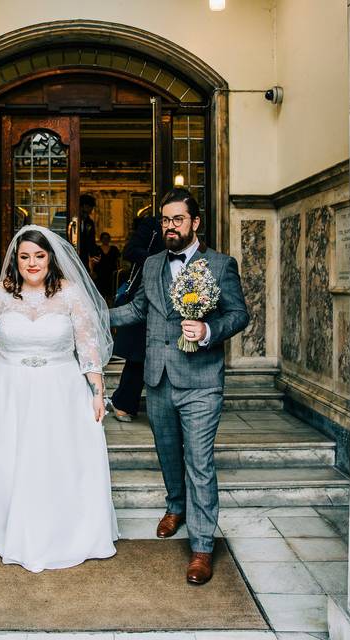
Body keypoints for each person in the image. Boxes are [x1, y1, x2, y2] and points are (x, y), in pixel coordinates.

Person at [0, 225, 119, 572]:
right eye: (24, 256)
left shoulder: (70, 294)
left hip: (60, 390)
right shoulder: (0, 294)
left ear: (51, 258)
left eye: (39, 256)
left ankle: (60, 533)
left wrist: (98, 392)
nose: (32, 263)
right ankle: (1, 528)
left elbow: (87, 347)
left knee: (55, 461)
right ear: (16, 260)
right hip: (8, 390)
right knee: (4, 461)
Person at [109, 188, 249, 585]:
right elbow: (138, 309)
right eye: (165, 220)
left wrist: (208, 329)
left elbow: (239, 315)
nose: (170, 226)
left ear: (195, 222)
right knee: (168, 452)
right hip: (157, 378)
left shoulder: (221, 265)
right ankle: (175, 506)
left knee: (199, 462)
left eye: (178, 219)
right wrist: (93, 315)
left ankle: (202, 546)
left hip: (201, 380)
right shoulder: (153, 264)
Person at [109, 209, 165, 422]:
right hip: (146, 293)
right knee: (139, 354)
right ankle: (123, 402)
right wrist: (159, 261)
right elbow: (130, 251)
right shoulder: (151, 226)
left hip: (175, 299)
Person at [93, 232, 121, 302]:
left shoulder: (114, 249)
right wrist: (92, 271)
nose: (105, 239)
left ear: (109, 239)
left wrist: (119, 270)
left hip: (111, 273)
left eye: (107, 238)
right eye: (104, 238)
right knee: (100, 291)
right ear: (101, 239)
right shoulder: (97, 249)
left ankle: (110, 306)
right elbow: (93, 261)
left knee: (110, 291)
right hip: (100, 273)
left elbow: (118, 260)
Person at [78, 194, 101, 269]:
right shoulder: (64, 216)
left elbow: (91, 240)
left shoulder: (89, 222)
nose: (91, 210)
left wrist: (94, 255)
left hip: (83, 258)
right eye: (90, 207)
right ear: (84, 206)